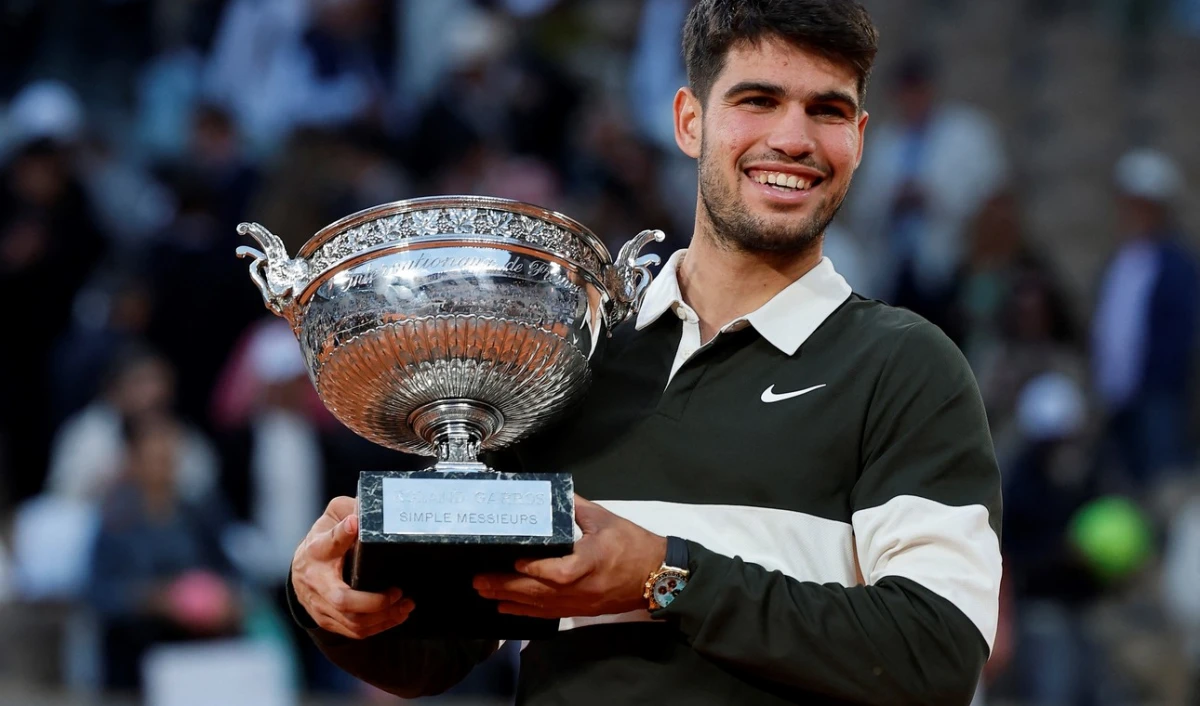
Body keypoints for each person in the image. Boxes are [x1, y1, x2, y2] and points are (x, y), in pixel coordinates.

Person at [286, 1, 1003, 704]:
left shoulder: (905, 367)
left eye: (827, 110)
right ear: (689, 121)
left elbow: (933, 656)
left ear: (860, 136)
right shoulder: (566, 362)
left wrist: (668, 577)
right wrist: (341, 595)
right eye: (758, 100)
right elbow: (441, 647)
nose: (794, 138)